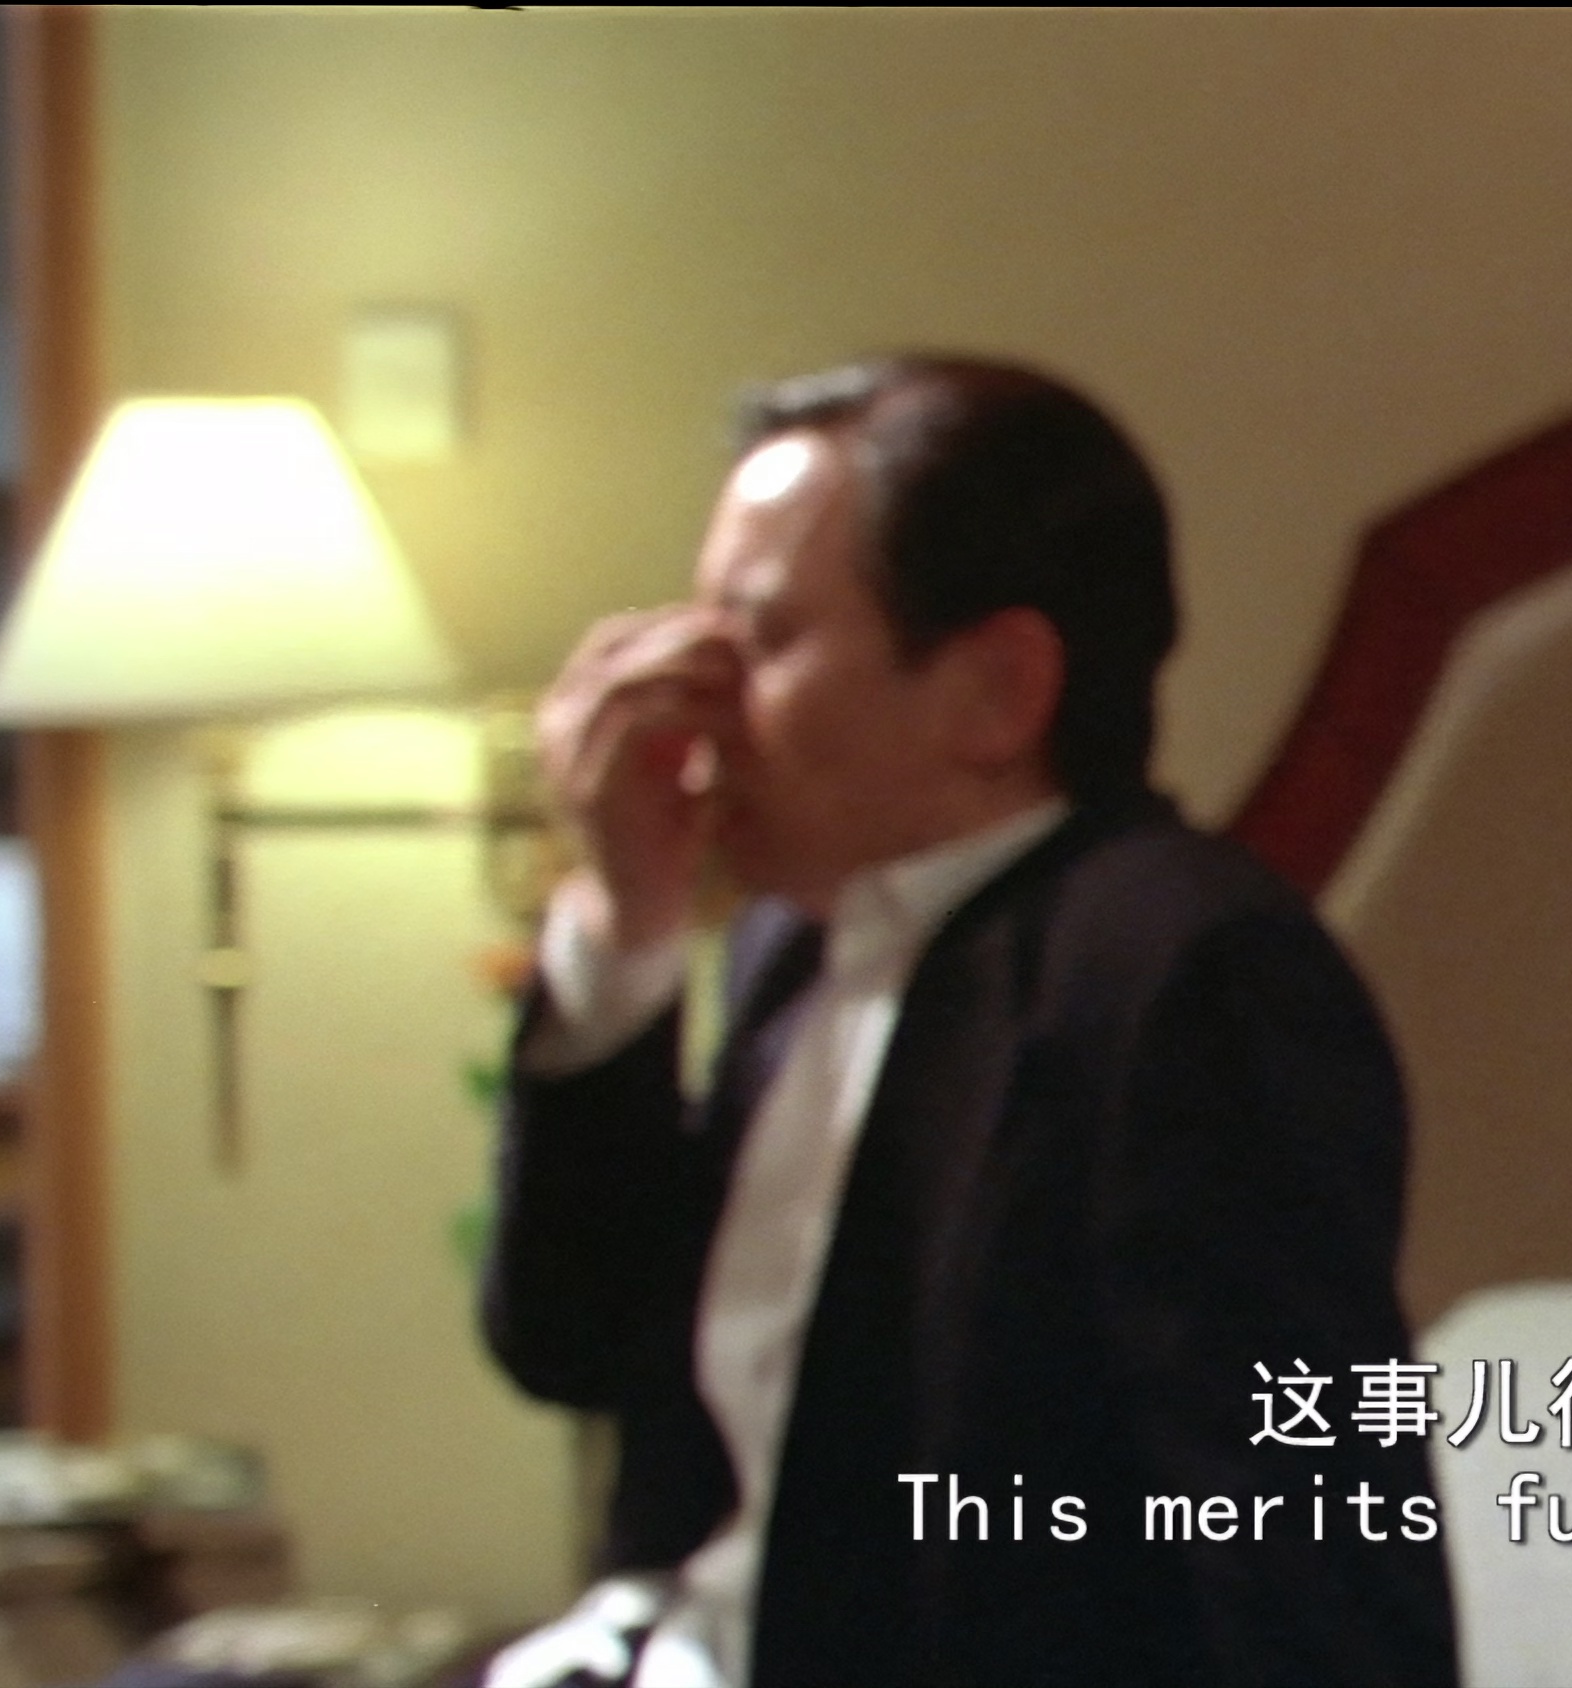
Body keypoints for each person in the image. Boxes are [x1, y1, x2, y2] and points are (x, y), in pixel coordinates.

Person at [474, 356, 1457, 1687]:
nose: (692, 700)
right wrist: (625, 930)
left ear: (997, 689)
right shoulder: (789, 943)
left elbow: (1307, 1554)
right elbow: (572, 1344)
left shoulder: (1180, 970)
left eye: (756, 641)